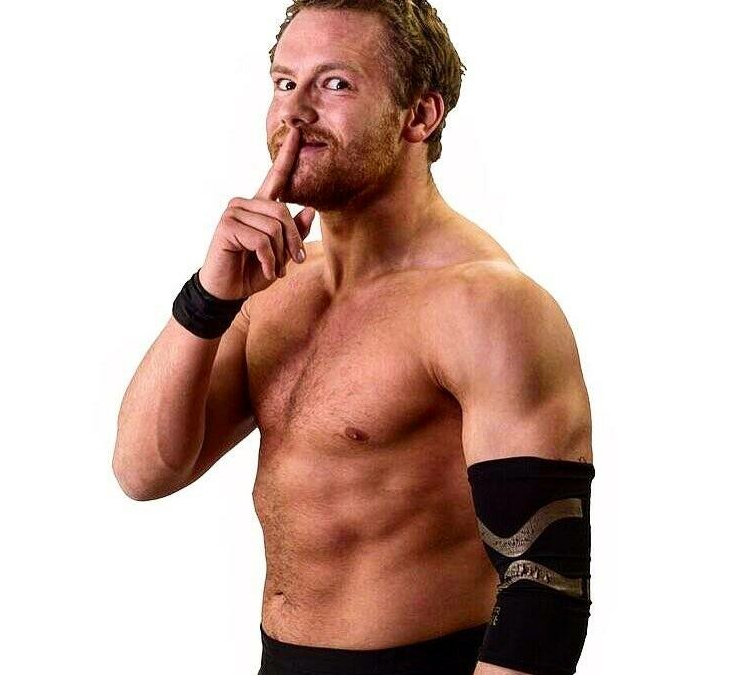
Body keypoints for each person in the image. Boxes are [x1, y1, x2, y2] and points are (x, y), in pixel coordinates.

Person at [113, 2, 595, 674]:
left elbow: (544, 590)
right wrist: (209, 298)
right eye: (285, 83)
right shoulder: (272, 287)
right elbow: (144, 472)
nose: (294, 113)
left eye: (335, 83)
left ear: (419, 116)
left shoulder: (485, 305)